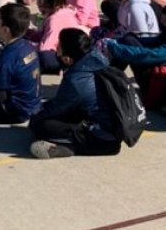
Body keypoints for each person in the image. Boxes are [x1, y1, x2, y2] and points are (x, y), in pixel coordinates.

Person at [28, 28, 122, 159]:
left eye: (59, 46)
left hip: (100, 138)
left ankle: (70, 147)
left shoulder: (76, 80)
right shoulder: (96, 57)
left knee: (40, 125)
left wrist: (36, 114)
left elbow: (56, 108)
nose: (56, 49)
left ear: (67, 58)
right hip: (110, 128)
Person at [29, 0, 88, 75]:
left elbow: (45, 48)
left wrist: (28, 45)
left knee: (34, 56)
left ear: (42, 2)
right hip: (69, 53)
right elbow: (44, 34)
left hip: (64, 58)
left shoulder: (55, 20)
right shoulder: (64, 11)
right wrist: (31, 35)